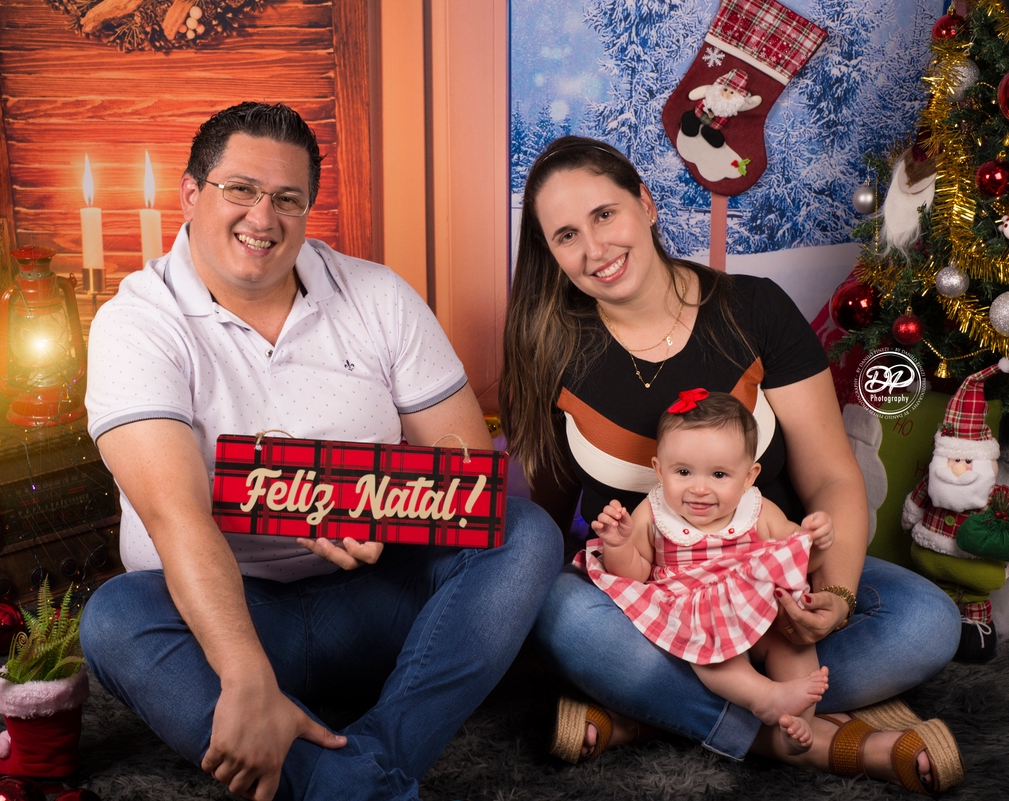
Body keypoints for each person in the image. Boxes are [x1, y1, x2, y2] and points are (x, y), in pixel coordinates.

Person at [79, 102, 562, 801]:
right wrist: (245, 670)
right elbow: (174, 516)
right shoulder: (134, 322)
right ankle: (356, 781)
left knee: (524, 533)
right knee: (115, 618)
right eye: (239, 189)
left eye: (286, 198)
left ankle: (364, 767)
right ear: (191, 194)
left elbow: (464, 480)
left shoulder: (376, 294)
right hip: (223, 617)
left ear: (308, 208)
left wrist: (361, 499)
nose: (262, 217)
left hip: (373, 605)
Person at [499, 135, 965, 795]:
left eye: (605, 214)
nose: (595, 248)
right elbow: (542, 518)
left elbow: (832, 474)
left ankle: (650, 713)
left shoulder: (754, 309)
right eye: (566, 234)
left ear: (646, 203)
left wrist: (831, 600)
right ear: (550, 253)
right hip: (653, 609)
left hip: (773, 592)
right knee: (559, 614)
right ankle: (816, 742)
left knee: (926, 620)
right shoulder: (545, 348)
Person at [582, 390, 832, 756]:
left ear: (748, 477)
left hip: (761, 614)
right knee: (711, 652)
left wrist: (818, 541)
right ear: (658, 469)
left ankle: (798, 723)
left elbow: (797, 559)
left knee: (794, 639)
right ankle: (764, 698)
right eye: (682, 472)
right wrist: (619, 545)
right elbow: (634, 575)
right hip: (699, 616)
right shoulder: (654, 512)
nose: (699, 488)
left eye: (718, 474)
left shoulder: (758, 509)